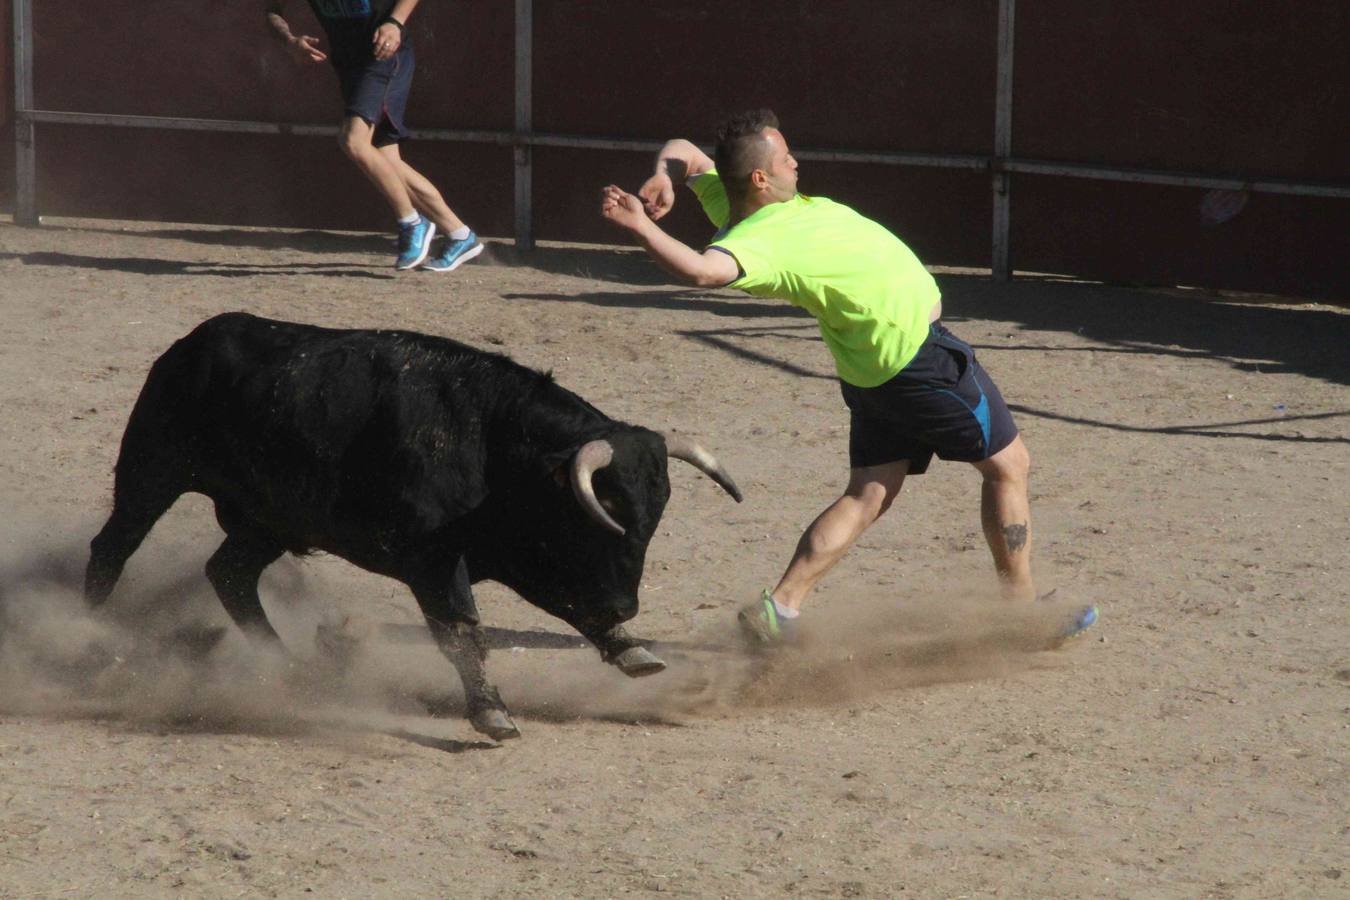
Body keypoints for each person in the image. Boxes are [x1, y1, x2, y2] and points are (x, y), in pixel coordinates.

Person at [600, 109, 1096, 646]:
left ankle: (780, 608)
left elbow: (684, 149)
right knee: (1009, 465)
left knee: (869, 492)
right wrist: (641, 226)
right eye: (786, 157)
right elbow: (704, 270)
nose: (797, 162)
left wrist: (663, 175)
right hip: (917, 362)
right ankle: (1019, 616)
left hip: (874, 373)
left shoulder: (739, 195)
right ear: (762, 179)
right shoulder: (761, 240)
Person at [266, 0, 483, 272]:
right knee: (385, 160)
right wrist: (289, 41)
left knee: (353, 141)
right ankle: (460, 235)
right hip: (350, 64)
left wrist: (395, 22)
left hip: (384, 55)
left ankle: (412, 222)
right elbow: (272, 10)